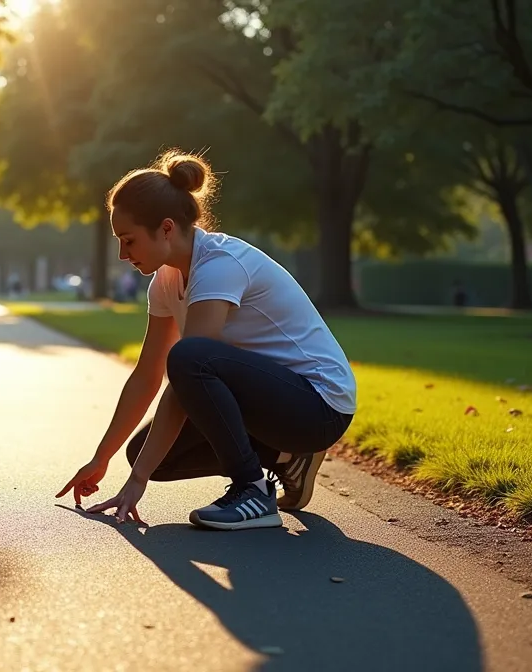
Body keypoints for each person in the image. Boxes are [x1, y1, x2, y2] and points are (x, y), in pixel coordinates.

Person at [56, 149, 357, 530]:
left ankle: (252, 490)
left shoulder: (219, 266)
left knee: (190, 357)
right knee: (147, 455)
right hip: (274, 402)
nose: (121, 254)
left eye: (128, 240)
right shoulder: (165, 281)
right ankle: (285, 457)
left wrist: (136, 484)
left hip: (319, 405)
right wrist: (103, 458)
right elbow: (147, 376)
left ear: (166, 228)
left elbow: (188, 372)